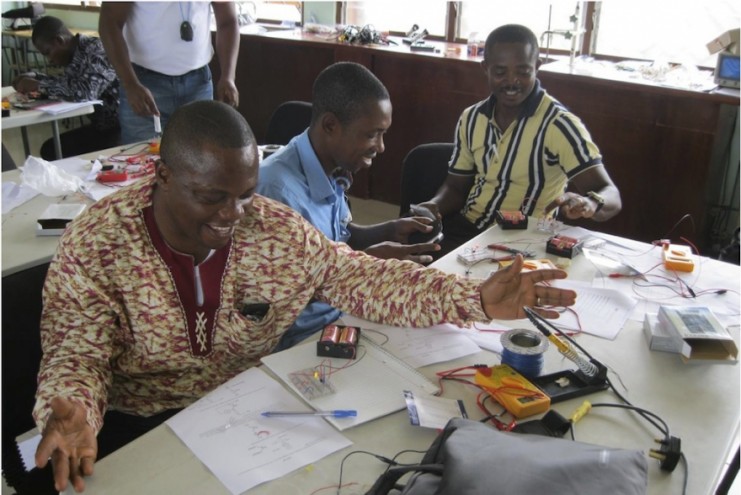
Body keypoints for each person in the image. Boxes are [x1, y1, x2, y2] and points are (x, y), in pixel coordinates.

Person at [32, 100, 576, 493]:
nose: (231, 215)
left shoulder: (273, 229)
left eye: (244, 194)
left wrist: (476, 299)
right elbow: (76, 351)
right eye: (210, 197)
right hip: (139, 423)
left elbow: (363, 279)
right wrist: (76, 408)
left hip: (247, 411)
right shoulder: (99, 241)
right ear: (163, 175)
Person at [258, 62, 440, 350]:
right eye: (371, 134)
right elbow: (275, 299)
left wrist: (389, 230)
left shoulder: (331, 165)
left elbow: (336, 239)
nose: (381, 147)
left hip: (342, 313)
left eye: (383, 133)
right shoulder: (277, 193)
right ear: (330, 125)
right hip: (298, 340)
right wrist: (367, 267)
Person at [419, 24, 621, 256]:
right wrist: (432, 206)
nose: (512, 81)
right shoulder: (472, 117)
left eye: (523, 72)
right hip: (467, 229)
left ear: (537, 67)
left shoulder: (559, 125)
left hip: (524, 241)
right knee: (412, 271)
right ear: (486, 68)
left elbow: (610, 193)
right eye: (500, 72)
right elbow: (455, 187)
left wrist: (591, 203)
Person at [98, 1, 239, 144]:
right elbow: (109, 21)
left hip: (198, 84)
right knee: (141, 160)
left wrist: (228, 76)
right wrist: (130, 84)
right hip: (143, 85)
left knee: (200, 161)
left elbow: (228, 21)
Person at [12, 15, 120, 160]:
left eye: (47, 52)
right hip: (102, 127)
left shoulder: (96, 51)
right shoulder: (74, 53)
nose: (49, 60)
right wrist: (34, 76)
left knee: (53, 151)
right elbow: (67, 84)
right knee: (51, 149)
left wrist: (39, 85)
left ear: (59, 41)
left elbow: (85, 92)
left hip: (119, 129)